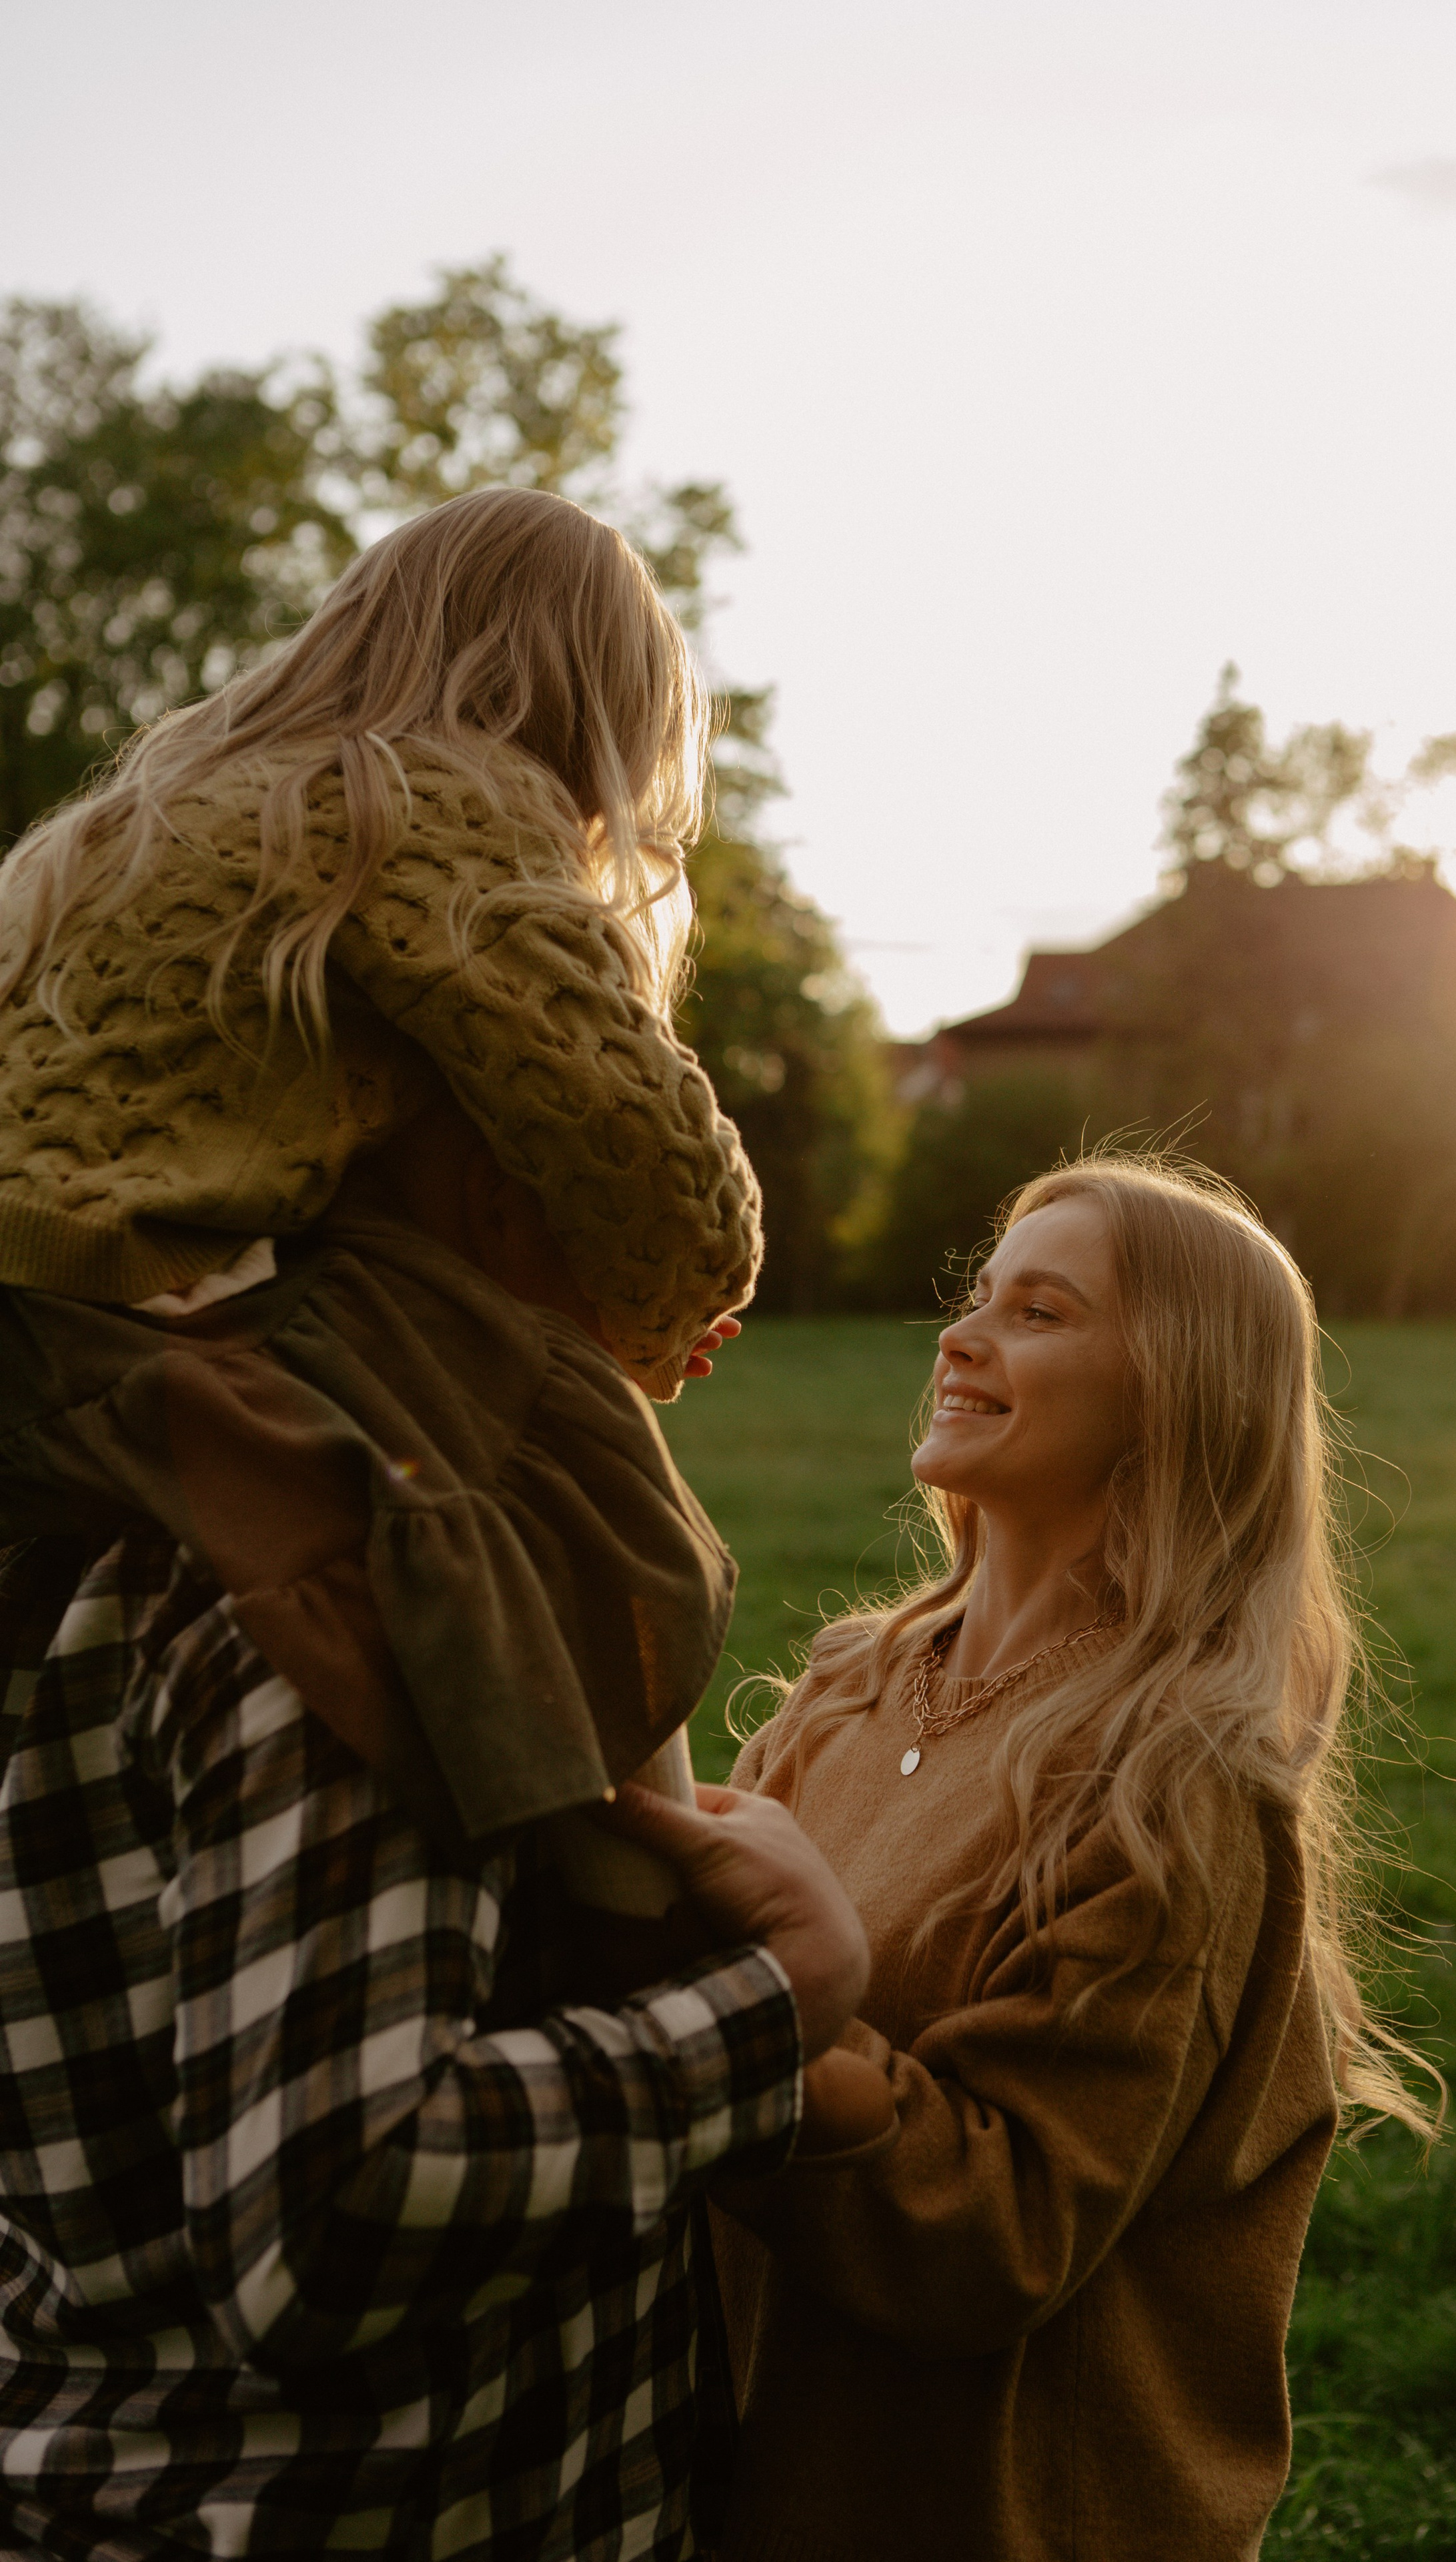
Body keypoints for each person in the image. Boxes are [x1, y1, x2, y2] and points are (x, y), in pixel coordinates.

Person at [0, 484, 880, 2559]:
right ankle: (641, 1871)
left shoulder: (109, 832)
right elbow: (627, 1120)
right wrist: (679, 1292)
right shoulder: (426, 800)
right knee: (588, 1526)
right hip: (381, 2504)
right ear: (592, 712)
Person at [697, 1154, 1441, 2562]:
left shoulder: (1172, 1790)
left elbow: (999, 2233)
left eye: (1036, 1312)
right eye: (976, 1298)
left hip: (990, 2513)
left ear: (1173, 1392)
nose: (958, 1338)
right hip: (756, 2471)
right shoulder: (854, 1685)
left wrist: (771, 2011)